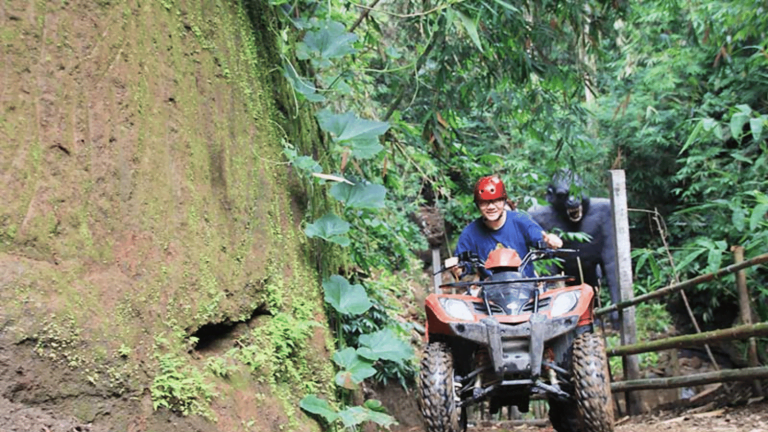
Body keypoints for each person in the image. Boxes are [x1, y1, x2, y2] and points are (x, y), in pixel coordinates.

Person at [453, 175, 563, 279]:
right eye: (484, 203)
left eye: (496, 201)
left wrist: (550, 242)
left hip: (526, 287)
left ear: (504, 201)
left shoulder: (521, 220)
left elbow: (542, 239)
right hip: (490, 292)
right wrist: (457, 268)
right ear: (478, 205)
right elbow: (461, 268)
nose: (491, 207)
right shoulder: (470, 232)